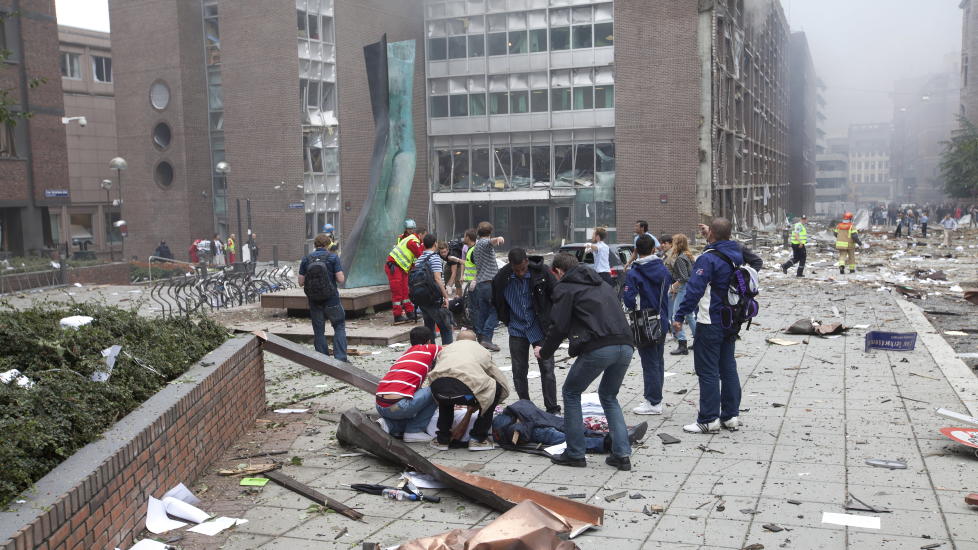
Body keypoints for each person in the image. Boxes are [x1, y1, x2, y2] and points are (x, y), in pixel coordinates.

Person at [535, 253, 635, 471]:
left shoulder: (566, 288)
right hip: (626, 344)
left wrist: (545, 351)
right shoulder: (602, 283)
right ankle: (622, 454)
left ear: (558, 271)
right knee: (609, 396)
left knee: (571, 392)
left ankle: (575, 453)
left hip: (600, 346)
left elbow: (558, 326)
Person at [672, 218, 743, 435]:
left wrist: (680, 314)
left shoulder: (707, 259)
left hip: (710, 321)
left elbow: (694, 290)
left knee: (707, 371)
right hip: (731, 320)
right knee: (728, 367)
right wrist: (712, 236)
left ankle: (708, 419)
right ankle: (730, 416)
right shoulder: (736, 254)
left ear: (711, 233)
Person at [492, 248, 559, 414]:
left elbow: (557, 294)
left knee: (547, 368)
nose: (521, 273)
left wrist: (554, 321)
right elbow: (495, 300)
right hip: (517, 327)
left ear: (526, 262)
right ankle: (526, 406)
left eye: (523, 269)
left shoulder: (542, 272)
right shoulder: (502, 278)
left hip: (540, 327)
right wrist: (505, 319)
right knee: (519, 370)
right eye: (516, 270)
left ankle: (552, 408)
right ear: (510, 266)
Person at [428, 330, 510, 451]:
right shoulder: (481, 350)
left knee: (446, 395)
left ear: (457, 341)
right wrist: (494, 397)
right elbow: (495, 374)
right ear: (475, 341)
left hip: (439, 392)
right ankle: (478, 438)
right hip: (467, 395)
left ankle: (442, 439)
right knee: (496, 387)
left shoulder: (446, 349)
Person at [624, 235, 672, 416]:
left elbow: (628, 299)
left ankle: (653, 402)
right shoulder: (663, 269)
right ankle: (655, 398)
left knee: (649, 362)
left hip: (644, 321)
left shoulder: (634, 272)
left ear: (636, 250)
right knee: (658, 361)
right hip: (662, 318)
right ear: (654, 249)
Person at [491, 400, 648, 454]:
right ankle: (609, 442)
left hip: (523, 417)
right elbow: (514, 437)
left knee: (563, 428)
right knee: (557, 435)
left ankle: (615, 438)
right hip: (525, 425)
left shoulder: (497, 417)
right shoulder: (500, 424)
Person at [375, 326, 441, 442]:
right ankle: (414, 431)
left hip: (380, 405)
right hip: (398, 406)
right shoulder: (428, 348)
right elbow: (451, 349)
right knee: (437, 388)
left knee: (417, 405)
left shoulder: (405, 355)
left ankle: (388, 424)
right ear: (429, 341)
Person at [298, 233, 347, 362]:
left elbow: (300, 282)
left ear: (315, 245)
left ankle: (322, 360)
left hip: (314, 301)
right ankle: (340, 358)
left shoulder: (306, 259)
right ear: (327, 244)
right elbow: (340, 279)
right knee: (339, 326)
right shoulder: (333, 257)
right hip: (332, 299)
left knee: (319, 330)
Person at [471, 222, 505, 352]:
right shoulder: (484, 243)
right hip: (489, 284)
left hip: (481, 284)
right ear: (490, 233)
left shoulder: (476, 246)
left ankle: (480, 338)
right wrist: (498, 239)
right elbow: (489, 243)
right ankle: (486, 338)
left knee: (483, 312)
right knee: (496, 311)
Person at [414, 234, 453, 345]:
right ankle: (448, 355)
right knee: (446, 328)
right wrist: (446, 296)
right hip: (434, 298)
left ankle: (431, 354)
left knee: (429, 329)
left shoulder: (419, 259)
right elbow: (438, 279)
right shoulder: (434, 258)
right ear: (435, 244)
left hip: (422, 298)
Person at [386, 220, 424, 323]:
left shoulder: (414, 240)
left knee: (405, 291)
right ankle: (397, 315)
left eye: (412, 229)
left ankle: (409, 312)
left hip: (403, 267)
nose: (411, 230)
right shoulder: (412, 240)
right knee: (397, 291)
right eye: (409, 229)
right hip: (395, 266)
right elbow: (420, 255)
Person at [665, 234, 696, 355]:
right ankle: (698, 340)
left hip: (683, 288)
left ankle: (682, 343)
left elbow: (684, 277)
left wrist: (674, 287)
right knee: (688, 314)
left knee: (676, 315)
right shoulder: (688, 256)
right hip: (689, 288)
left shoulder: (679, 258)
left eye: (673, 242)